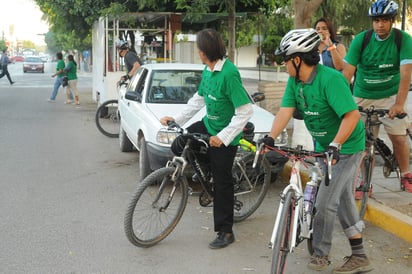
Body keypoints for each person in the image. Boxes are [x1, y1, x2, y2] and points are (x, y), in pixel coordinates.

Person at [262, 29, 371, 273]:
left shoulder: (331, 80)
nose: (284, 65)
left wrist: (336, 144)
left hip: (347, 147)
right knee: (341, 200)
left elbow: (352, 115)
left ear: (298, 60)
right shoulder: (295, 81)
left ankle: (321, 254)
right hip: (324, 148)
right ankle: (360, 255)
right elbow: (285, 111)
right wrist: (269, 137)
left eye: (285, 60)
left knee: (325, 202)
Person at [160, 28, 253, 249]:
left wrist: (223, 137)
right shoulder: (208, 70)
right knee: (180, 142)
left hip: (226, 133)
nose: (197, 52)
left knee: (222, 183)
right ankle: (207, 172)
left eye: (198, 49)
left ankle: (226, 232)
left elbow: (245, 111)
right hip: (209, 125)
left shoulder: (229, 74)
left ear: (205, 51)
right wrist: (177, 120)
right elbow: (198, 99)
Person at [342, 0, 412, 193]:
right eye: (376, 20)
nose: (380, 25)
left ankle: (406, 174)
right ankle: (366, 182)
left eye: (384, 20)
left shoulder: (403, 39)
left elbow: (406, 74)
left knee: (398, 138)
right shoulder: (361, 40)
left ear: (393, 20)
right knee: (363, 142)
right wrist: (341, 102)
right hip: (362, 96)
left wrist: (399, 104)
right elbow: (347, 73)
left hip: (391, 96)